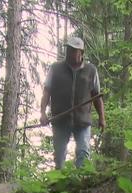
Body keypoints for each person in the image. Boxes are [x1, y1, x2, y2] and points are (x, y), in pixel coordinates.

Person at [39, 37, 106, 169]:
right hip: (60, 120)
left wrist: (102, 118)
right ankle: (59, 185)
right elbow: (47, 92)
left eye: (74, 50)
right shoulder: (56, 69)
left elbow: (97, 97)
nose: (70, 52)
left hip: (83, 121)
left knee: (83, 152)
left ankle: (80, 185)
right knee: (59, 157)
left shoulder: (91, 70)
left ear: (81, 53)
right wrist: (42, 113)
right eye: (68, 49)